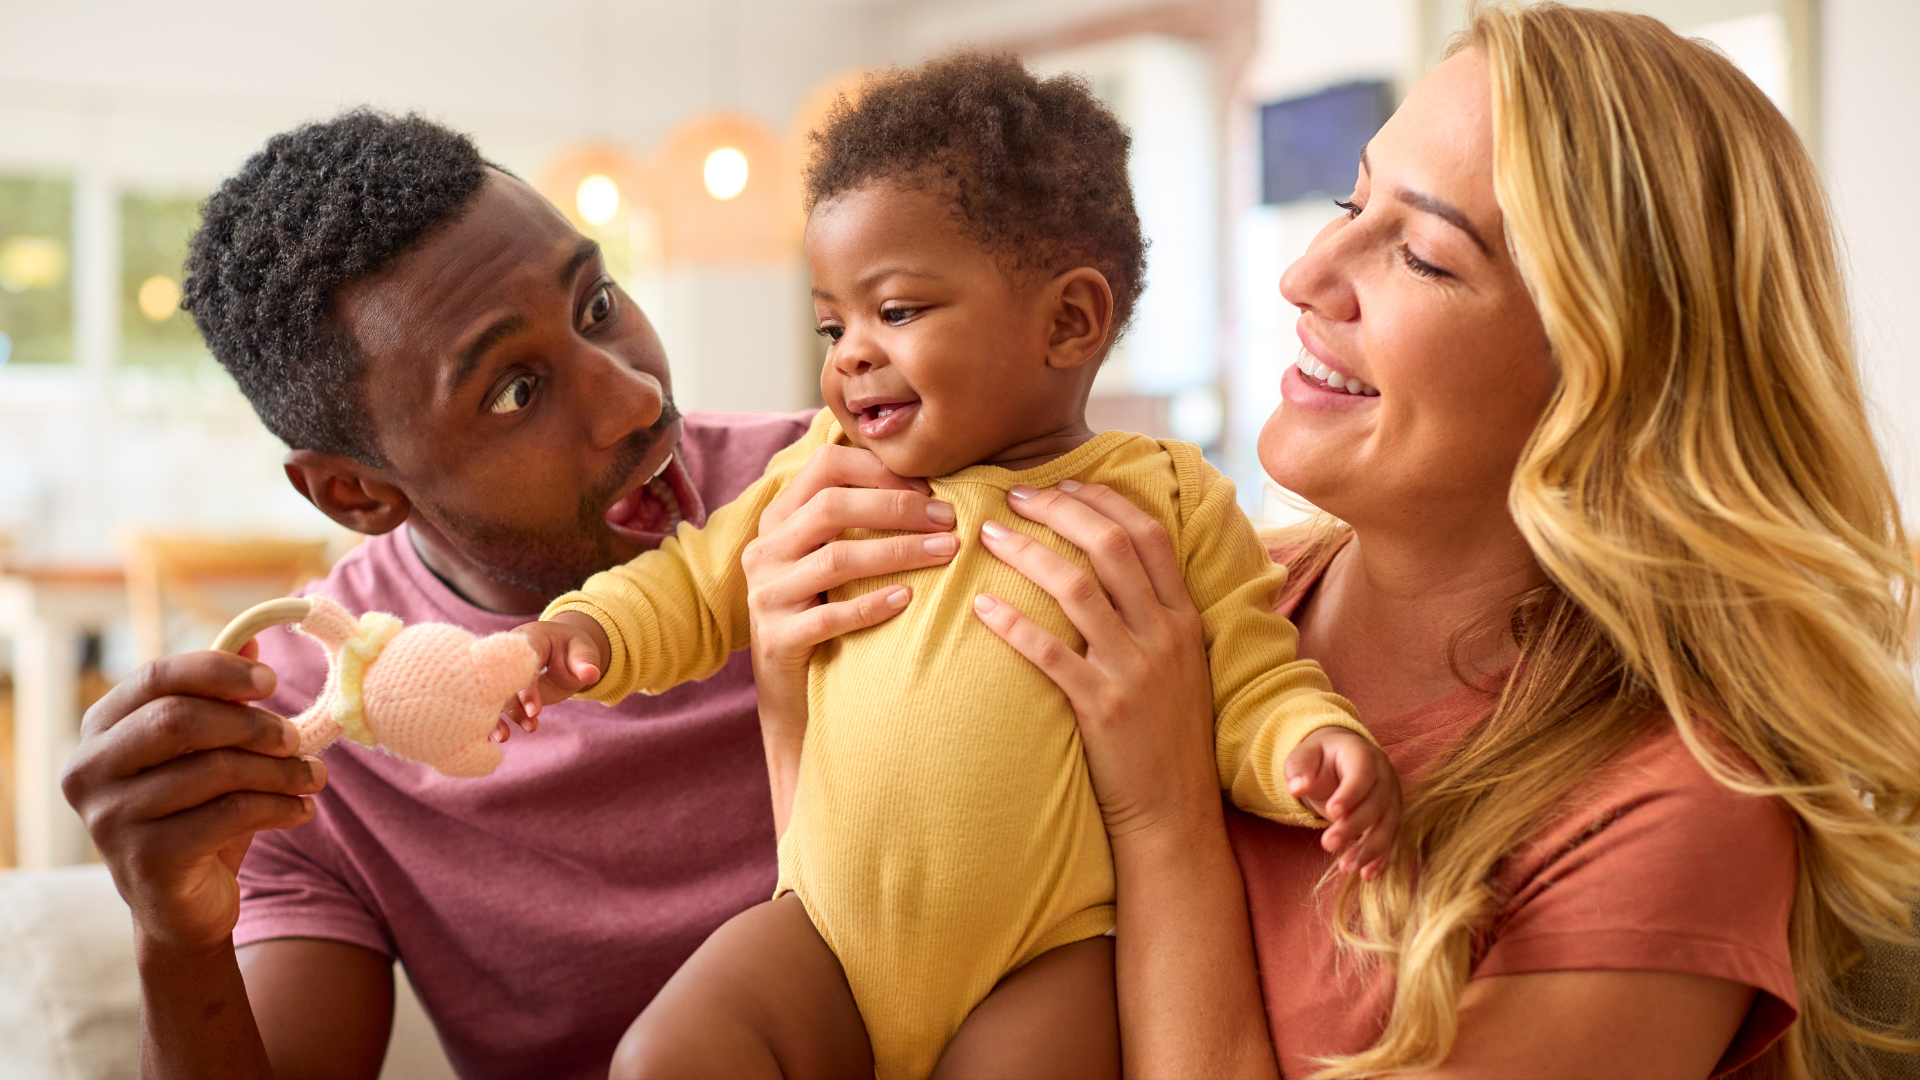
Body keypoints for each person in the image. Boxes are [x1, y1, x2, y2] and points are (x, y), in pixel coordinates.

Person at [752, 6, 1920, 1078]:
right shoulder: (1206, 595)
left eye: (1421, 253)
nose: (1306, 276)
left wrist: (1162, 820)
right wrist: (791, 694)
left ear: (1606, 379)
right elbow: (882, 972)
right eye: (1353, 204)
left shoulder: (1674, 811)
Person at [513, 54, 1397, 1080]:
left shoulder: (1164, 498)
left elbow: (1249, 677)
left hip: (1047, 955)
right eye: (832, 324)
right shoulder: (818, 472)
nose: (846, 356)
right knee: (667, 1055)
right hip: (824, 938)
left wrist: (1310, 748)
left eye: (896, 312)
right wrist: (582, 634)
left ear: (1070, 321)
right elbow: (686, 581)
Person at [57, 112, 963, 1080]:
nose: (636, 400)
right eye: (514, 392)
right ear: (355, 492)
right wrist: (177, 937)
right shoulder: (304, 731)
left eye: (598, 303)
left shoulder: (861, 489)